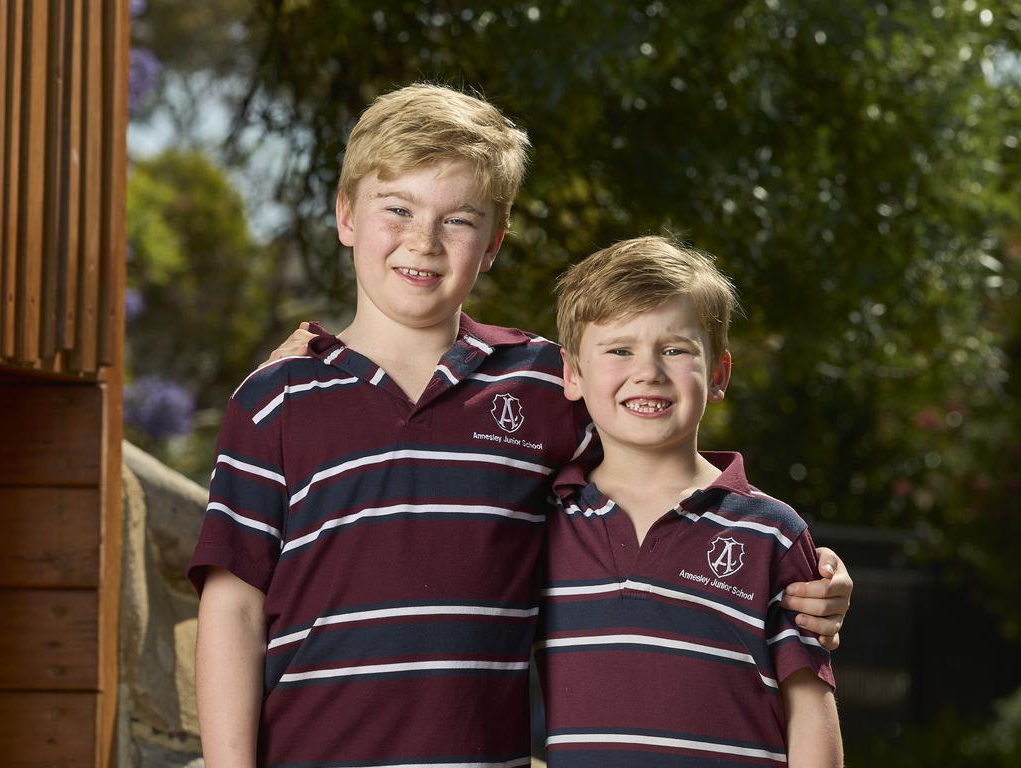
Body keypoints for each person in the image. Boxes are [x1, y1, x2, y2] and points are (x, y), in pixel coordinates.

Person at [189, 83, 851, 767]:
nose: (423, 239)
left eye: (458, 220)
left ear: (494, 243)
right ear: (347, 215)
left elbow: (659, 472)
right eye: (398, 209)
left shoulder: (542, 384)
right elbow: (234, 608)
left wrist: (806, 571)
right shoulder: (274, 399)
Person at [535, 235, 842, 767]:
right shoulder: (542, 522)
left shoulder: (772, 532)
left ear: (718, 374)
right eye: (619, 349)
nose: (648, 371)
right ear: (573, 373)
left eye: (674, 349)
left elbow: (810, 707)